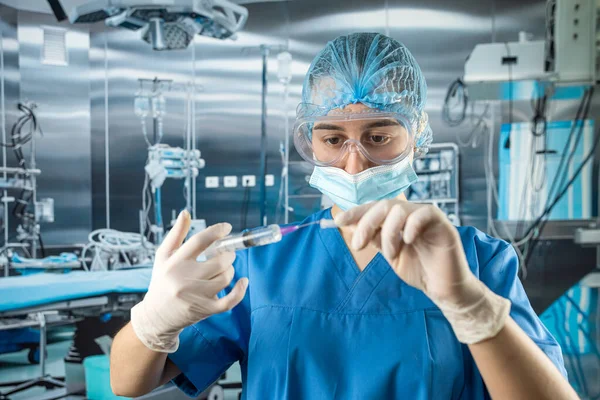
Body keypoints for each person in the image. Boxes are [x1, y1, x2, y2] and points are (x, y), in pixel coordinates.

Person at [110, 33, 577, 399]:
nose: (354, 164)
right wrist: (154, 319)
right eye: (332, 139)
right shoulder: (262, 264)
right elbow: (127, 382)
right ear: (309, 140)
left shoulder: (478, 261)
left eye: (379, 136)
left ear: (415, 137)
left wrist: (470, 305)